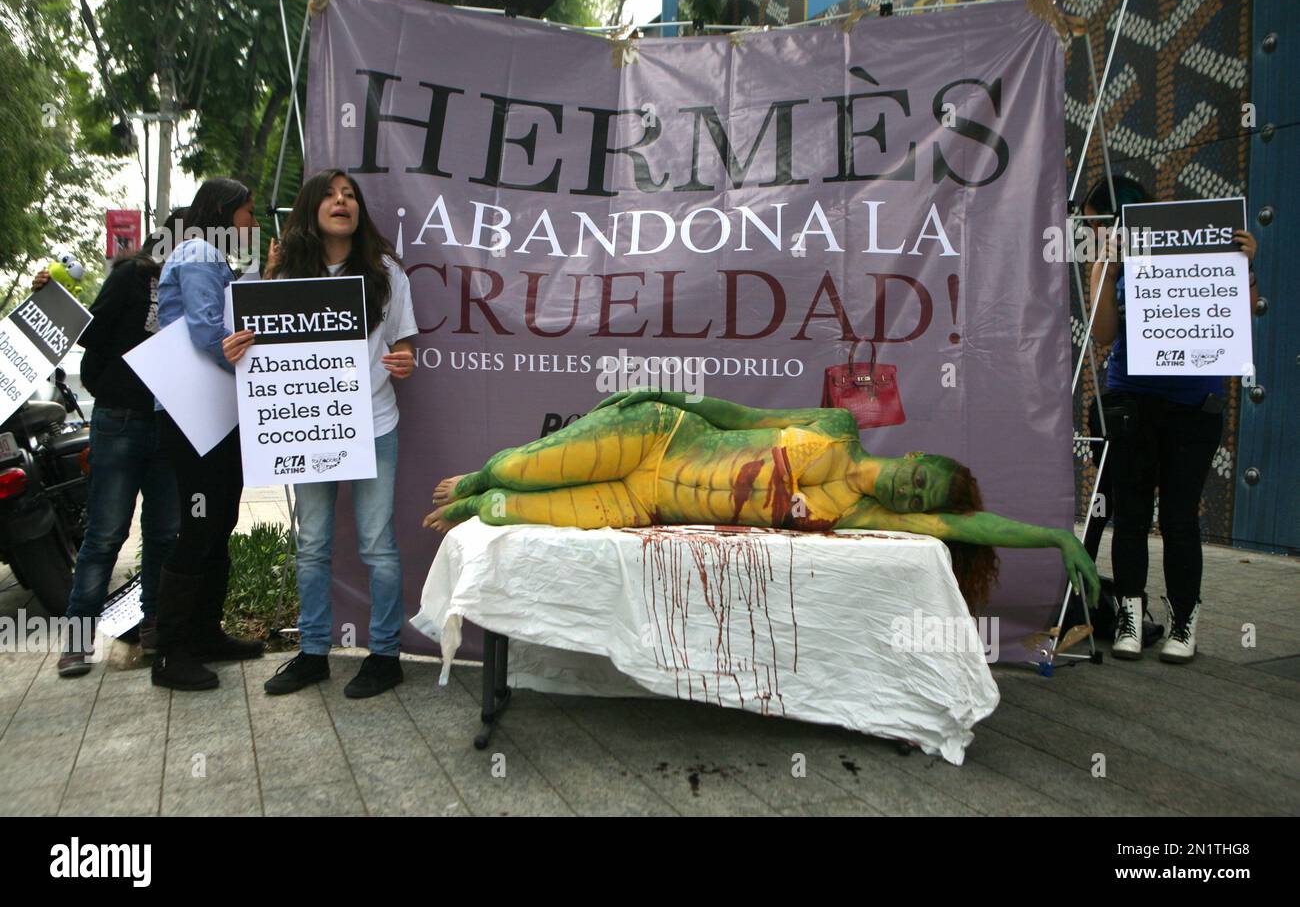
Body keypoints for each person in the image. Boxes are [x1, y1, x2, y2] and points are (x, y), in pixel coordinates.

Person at [426, 390, 1101, 613]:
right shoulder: (838, 427)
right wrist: (663, 396)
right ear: (915, 457)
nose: (909, 488)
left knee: (506, 510)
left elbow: (968, 522)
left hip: (647, 503)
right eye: (919, 476)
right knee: (516, 468)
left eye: (919, 497)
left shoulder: (858, 515)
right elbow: (742, 411)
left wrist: (1058, 538)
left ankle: (472, 505)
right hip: (661, 436)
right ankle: (473, 479)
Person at [251, 170, 418, 698]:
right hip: (307, 431)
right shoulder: (284, 274)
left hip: (373, 425)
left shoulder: (386, 269)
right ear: (311, 208)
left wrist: (405, 360)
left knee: (377, 546)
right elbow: (263, 350)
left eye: (349, 195)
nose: (341, 201)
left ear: (359, 210)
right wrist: (240, 349)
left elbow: (404, 345)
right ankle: (313, 653)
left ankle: (386, 655)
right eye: (329, 194)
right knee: (312, 545)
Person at [1085, 175, 1259, 663]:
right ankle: (1130, 616)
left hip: (1192, 403)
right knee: (1132, 516)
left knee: (1181, 517)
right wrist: (1107, 269)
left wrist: (1243, 269)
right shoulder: (1110, 258)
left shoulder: (1204, 249)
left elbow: (1236, 325)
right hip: (1131, 399)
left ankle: (1184, 620)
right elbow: (1101, 334)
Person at [51, 211, 186, 676]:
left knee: (165, 533)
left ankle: (154, 628)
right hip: (121, 419)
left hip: (170, 423)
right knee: (106, 533)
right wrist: (52, 301)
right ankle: (76, 641)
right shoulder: (133, 275)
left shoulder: (202, 284)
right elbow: (92, 331)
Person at [151, 179, 266, 691]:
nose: (253, 223)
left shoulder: (211, 255)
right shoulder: (197, 252)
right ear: (223, 210)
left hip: (211, 414)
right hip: (190, 414)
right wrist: (256, 356)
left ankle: (205, 633)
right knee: (200, 524)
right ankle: (171, 651)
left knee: (219, 518)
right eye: (247, 211)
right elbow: (205, 331)